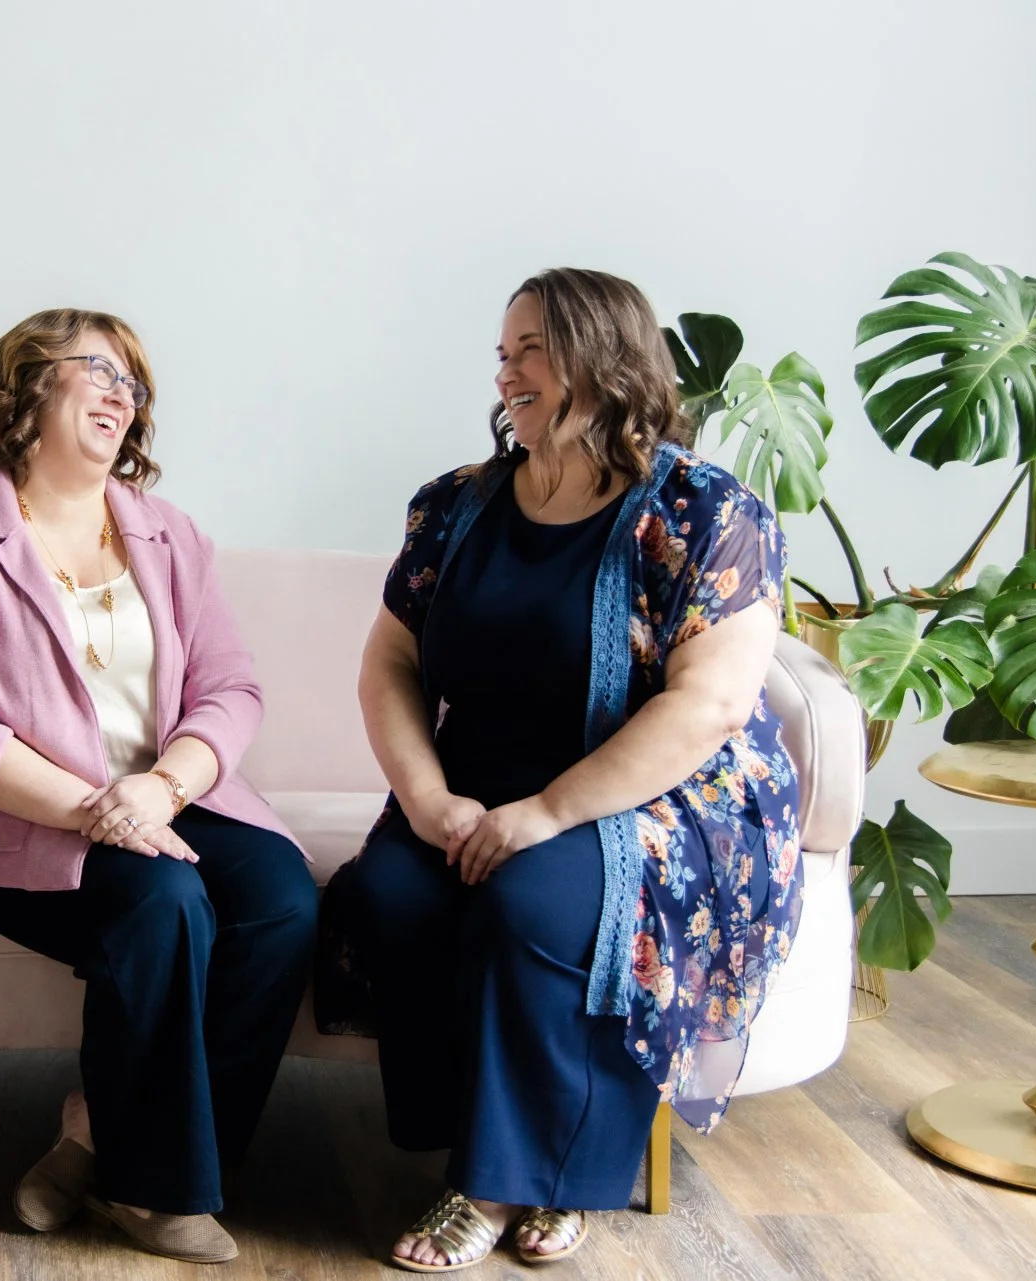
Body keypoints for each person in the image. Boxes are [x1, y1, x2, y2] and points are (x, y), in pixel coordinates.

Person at [320, 269, 803, 1271]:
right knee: (400, 896)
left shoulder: (704, 512)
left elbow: (708, 706)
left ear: (602, 357)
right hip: (477, 780)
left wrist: (547, 812)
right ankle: (492, 1147)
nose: (508, 373)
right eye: (503, 354)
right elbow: (392, 662)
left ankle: (510, 1184)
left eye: (530, 348)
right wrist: (425, 798)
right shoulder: (456, 507)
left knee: (535, 908)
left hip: (659, 793)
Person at [0, 308, 319, 1265]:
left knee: (283, 902)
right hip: (20, 817)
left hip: (165, 790)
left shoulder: (167, 532)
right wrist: (97, 810)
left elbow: (230, 687)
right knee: (166, 901)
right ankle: (152, 1189)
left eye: (134, 382)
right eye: (101, 372)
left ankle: (94, 1139)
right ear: (30, 388)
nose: (124, 394)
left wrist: (163, 786)